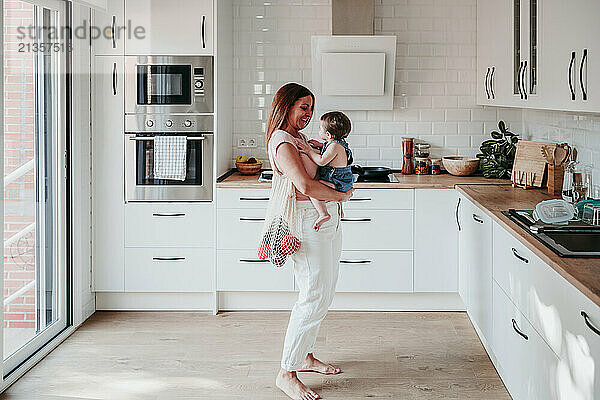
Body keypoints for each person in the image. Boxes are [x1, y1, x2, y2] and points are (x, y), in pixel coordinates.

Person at [266, 83, 353, 400]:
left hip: (324, 216)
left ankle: (305, 356)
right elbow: (304, 183)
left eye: (311, 108)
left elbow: (320, 167)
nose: (308, 114)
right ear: (285, 106)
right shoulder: (282, 142)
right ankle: (286, 372)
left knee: (324, 291)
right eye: (303, 106)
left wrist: (336, 199)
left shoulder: (300, 138)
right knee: (313, 293)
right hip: (307, 220)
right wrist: (342, 195)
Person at [294, 111, 353, 231]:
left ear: (328, 134)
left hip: (337, 181)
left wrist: (308, 150)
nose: (319, 131)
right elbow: (328, 148)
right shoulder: (336, 143)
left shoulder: (334, 147)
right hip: (339, 179)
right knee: (317, 187)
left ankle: (323, 214)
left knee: (314, 189)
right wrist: (320, 145)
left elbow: (321, 161)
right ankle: (339, 208)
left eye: (320, 128)